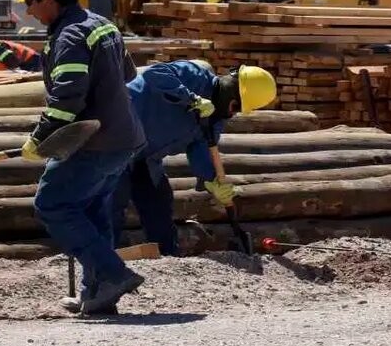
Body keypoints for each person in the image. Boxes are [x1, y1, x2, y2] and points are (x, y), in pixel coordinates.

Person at [16, 0, 146, 316]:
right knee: (90, 210)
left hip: (93, 142)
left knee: (54, 205)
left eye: (30, 0)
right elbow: (129, 72)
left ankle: (113, 274)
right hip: (124, 138)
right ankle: (96, 294)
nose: (28, 9)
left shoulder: (70, 35)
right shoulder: (101, 25)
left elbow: (68, 97)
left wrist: (39, 138)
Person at [113, 60, 277, 257]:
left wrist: (212, 181)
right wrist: (191, 98)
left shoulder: (213, 120)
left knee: (159, 203)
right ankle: (101, 264)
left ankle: (167, 260)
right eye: (237, 106)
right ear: (231, 90)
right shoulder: (195, 76)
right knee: (112, 202)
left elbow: (202, 153)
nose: (234, 112)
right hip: (117, 140)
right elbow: (154, 74)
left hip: (146, 158)